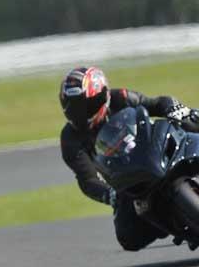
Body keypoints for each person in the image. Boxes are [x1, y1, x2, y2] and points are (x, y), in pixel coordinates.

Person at [59, 66, 199, 251]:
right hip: (124, 180)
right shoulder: (70, 139)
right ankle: (174, 222)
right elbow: (87, 179)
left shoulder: (122, 98)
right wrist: (107, 194)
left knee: (192, 120)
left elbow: (157, 103)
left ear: (103, 96)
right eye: (74, 108)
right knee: (129, 237)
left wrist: (178, 110)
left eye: (87, 105)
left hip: (151, 151)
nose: (82, 113)